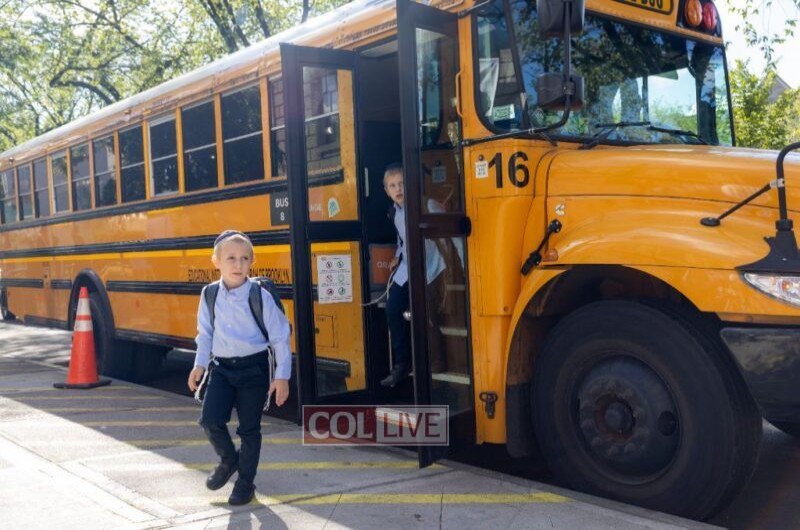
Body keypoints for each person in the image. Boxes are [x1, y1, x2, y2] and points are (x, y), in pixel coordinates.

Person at [187, 229, 291, 506]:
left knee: (249, 430)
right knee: (210, 420)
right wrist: (199, 365)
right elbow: (205, 333)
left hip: (253, 370)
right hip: (221, 369)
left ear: (252, 262)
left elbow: (280, 337)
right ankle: (229, 460)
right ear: (216, 261)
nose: (238, 264)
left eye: (245, 258)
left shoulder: (260, 296)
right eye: (231, 258)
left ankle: (245, 484)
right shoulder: (209, 294)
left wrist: (282, 377)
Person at [381, 163, 446, 387]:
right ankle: (402, 365)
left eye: (401, 184)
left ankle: (437, 364)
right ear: (387, 191)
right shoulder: (395, 213)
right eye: (392, 186)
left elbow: (449, 234)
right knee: (392, 309)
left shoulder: (426, 205)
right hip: (407, 269)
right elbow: (402, 239)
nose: (398, 189)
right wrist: (397, 256)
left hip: (430, 269)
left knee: (427, 316)